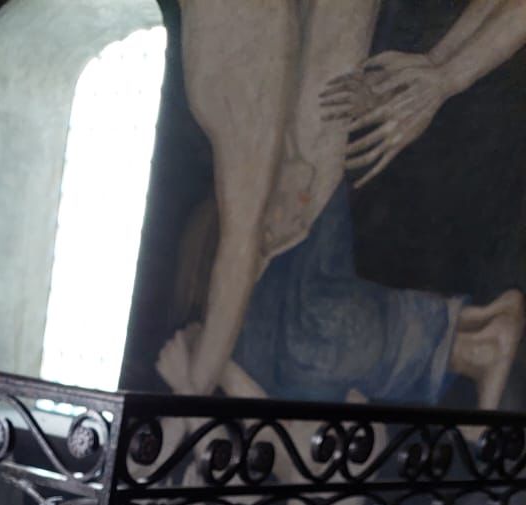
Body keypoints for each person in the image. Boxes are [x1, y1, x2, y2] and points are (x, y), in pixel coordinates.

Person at [164, 0, 526, 407]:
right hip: (334, 135)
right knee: (293, 331)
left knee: (296, 335)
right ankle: (476, 340)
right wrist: (437, 71)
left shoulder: (239, 49)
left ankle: (478, 341)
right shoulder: (239, 50)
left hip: (341, 140)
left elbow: (243, 241)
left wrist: (443, 74)